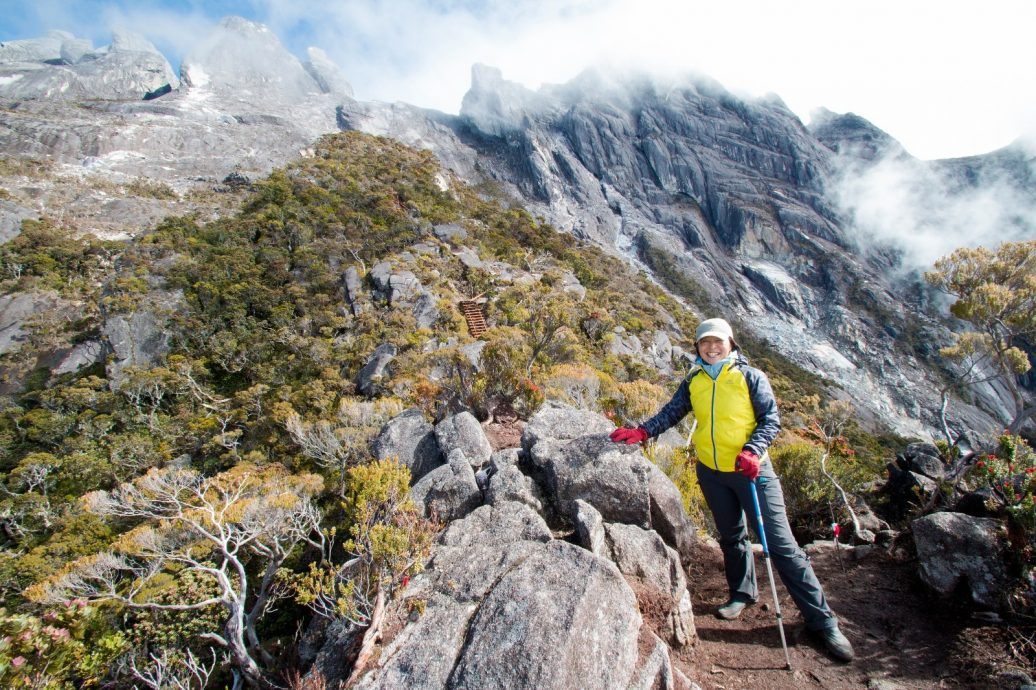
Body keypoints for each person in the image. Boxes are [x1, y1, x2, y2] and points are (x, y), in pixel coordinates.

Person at [609, 317, 854, 663]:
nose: (711, 348)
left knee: (781, 545)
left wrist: (753, 450)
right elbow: (672, 413)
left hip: (751, 472)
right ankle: (742, 593)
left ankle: (823, 621)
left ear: (730, 344)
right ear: (697, 347)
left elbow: (770, 420)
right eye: (704, 342)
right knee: (731, 536)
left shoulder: (750, 377)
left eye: (718, 342)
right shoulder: (694, 380)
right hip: (712, 472)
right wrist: (643, 431)